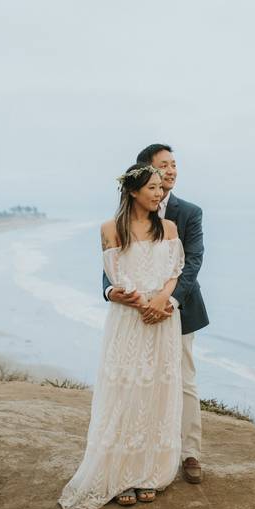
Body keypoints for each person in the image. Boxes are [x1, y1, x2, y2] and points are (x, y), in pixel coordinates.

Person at [59, 163, 186, 509]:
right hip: (129, 319)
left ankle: (148, 472)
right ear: (133, 191)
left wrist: (161, 301)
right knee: (124, 391)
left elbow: (175, 273)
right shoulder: (110, 229)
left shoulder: (170, 227)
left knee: (157, 391)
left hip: (163, 319)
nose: (159, 194)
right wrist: (140, 302)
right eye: (152, 188)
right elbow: (114, 276)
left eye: (161, 188)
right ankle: (118, 472)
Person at [103, 144, 209, 485]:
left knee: (184, 380)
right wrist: (111, 291)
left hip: (178, 310)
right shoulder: (128, 210)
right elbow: (116, 261)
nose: (172, 171)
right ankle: (139, 454)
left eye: (175, 165)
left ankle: (189, 452)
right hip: (135, 314)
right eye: (164, 166)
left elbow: (191, 263)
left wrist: (168, 301)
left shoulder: (188, 212)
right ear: (147, 172)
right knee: (138, 383)